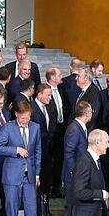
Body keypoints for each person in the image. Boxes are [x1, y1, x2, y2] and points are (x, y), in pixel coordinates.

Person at [0, 101, 46, 216]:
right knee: (12, 215)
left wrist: (37, 174)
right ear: (16, 115)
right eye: (22, 117)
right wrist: (15, 150)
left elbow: (37, 152)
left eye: (27, 117)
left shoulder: (35, 128)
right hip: (12, 178)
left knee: (32, 215)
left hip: (29, 178)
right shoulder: (8, 128)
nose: (25, 120)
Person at [57, 101, 92, 216]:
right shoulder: (74, 129)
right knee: (71, 207)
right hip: (74, 176)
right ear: (87, 114)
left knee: (75, 207)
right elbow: (69, 153)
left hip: (78, 174)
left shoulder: (80, 128)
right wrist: (74, 173)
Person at [31, 83, 61, 216]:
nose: (50, 98)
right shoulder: (32, 109)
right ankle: (37, 213)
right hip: (36, 154)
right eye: (48, 95)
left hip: (48, 152)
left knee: (46, 182)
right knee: (37, 184)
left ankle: (45, 211)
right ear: (39, 94)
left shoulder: (49, 106)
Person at [46, 66, 71, 197]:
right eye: (59, 75)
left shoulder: (62, 90)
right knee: (48, 160)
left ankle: (56, 188)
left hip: (61, 130)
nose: (62, 77)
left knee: (59, 160)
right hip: (50, 131)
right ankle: (48, 188)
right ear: (52, 77)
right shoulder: (44, 90)